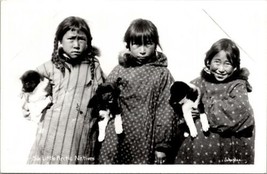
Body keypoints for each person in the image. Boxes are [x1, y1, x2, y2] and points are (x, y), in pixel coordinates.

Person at [23, 16, 105, 164]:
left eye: (81, 39)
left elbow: (104, 94)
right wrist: (30, 105)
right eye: (71, 39)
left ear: (88, 42)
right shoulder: (49, 67)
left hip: (82, 135)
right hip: (52, 136)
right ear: (60, 41)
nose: (76, 45)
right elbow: (28, 95)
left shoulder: (94, 67)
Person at [97, 18, 177, 164]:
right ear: (128, 45)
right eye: (137, 44)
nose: (142, 50)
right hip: (116, 133)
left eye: (148, 44)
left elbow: (165, 110)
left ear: (156, 44)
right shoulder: (120, 69)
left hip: (145, 135)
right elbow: (105, 93)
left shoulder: (162, 74)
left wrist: (162, 146)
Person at [175, 38, 255, 164]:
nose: (221, 69)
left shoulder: (237, 85)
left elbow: (239, 112)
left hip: (228, 149)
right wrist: (187, 113)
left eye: (227, 63)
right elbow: (181, 106)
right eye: (217, 62)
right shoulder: (198, 83)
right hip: (199, 149)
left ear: (235, 66)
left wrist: (204, 108)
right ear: (208, 61)